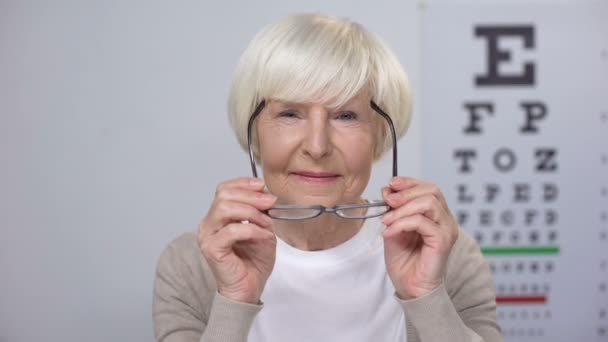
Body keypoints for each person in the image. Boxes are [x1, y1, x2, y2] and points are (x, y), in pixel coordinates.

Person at [153, 13, 502, 342]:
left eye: (346, 116)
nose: (317, 147)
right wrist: (233, 299)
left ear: (380, 135)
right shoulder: (192, 263)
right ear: (254, 131)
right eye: (290, 113)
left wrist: (429, 298)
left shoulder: (446, 255)